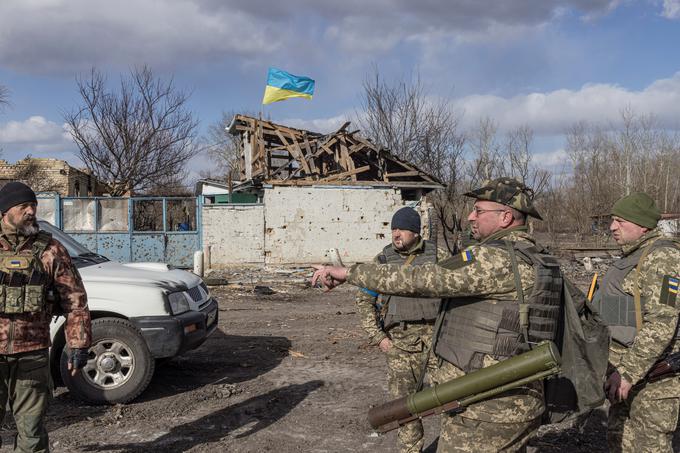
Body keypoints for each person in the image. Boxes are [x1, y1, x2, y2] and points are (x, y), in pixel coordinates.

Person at [312, 178, 563, 452]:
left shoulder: (497, 260)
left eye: (479, 211)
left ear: (505, 217)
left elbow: (423, 278)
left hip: (487, 408)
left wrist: (349, 273)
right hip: (518, 397)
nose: (470, 216)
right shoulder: (540, 259)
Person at [0, 182, 92, 452]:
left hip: (32, 354)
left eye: (33, 206)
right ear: (5, 211)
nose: (31, 211)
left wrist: (78, 344)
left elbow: (75, 299)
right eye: (23, 207)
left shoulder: (51, 249)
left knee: (32, 431)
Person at [354, 207, 449, 453]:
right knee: (404, 406)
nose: (396, 234)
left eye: (402, 229)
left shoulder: (438, 256)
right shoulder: (384, 260)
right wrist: (378, 337)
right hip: (401, 344)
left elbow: (459, 292)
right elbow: (364, 300)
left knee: (452, 398)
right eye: (393, 229)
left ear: (416, 232)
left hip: (439, 341)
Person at [593, 192, 680, 453]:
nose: (612, 227)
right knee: (619, 444)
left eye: (620, 221)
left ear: (642, 225)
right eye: (612, 220)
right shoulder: (633, 256)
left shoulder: (663, 259)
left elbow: (663, 322)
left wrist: (628, 373)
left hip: (653, 382)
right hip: (627, 378)